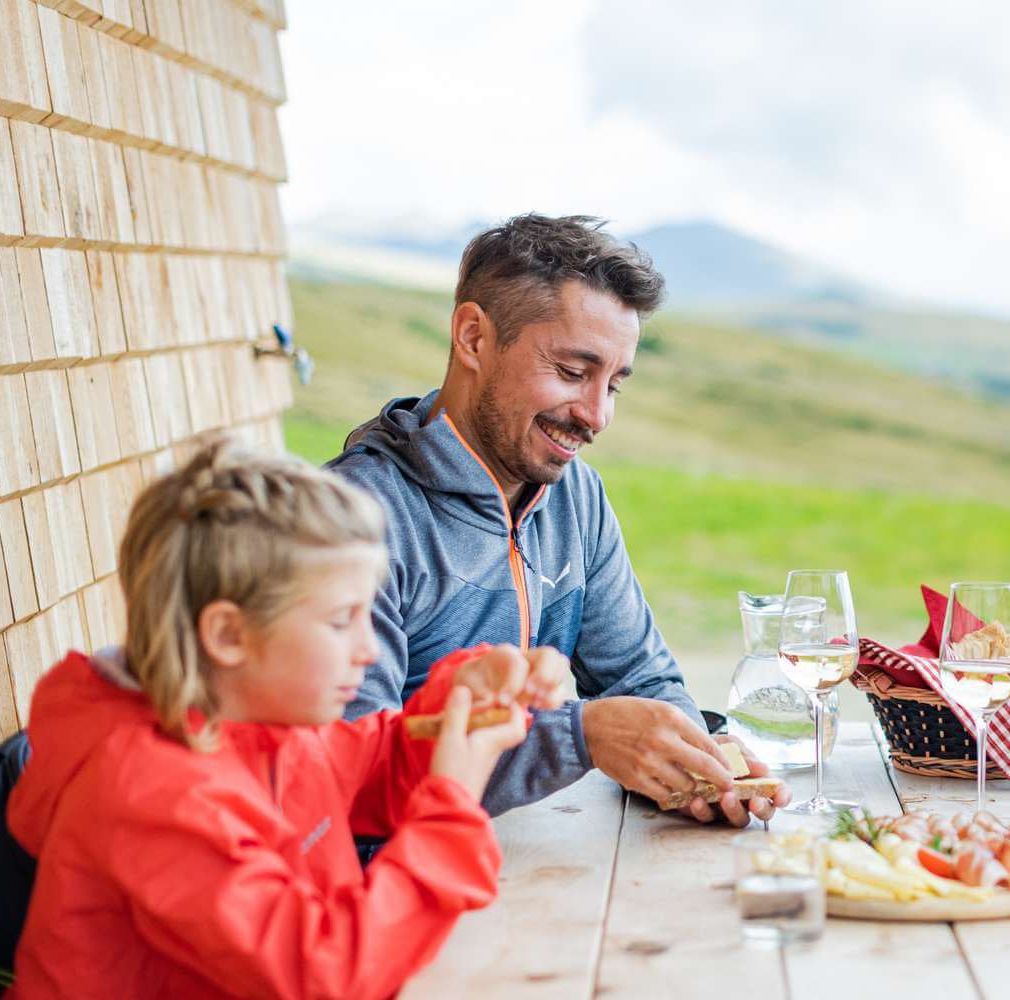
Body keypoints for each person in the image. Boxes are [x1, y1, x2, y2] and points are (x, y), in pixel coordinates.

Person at [4, 440, 565, 997]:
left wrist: (456, 705)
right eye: (343, 620)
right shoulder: (153, 796)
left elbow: (373, 765)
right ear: (228, 636)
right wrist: (451, 806)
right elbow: (322, 975)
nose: (369, 650)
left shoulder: (260, 724)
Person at [327, 213, 786, 824]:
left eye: (614, 385)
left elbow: (641, 682)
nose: (596, 416)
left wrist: (699, 765)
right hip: (380, 888)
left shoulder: (578, 497)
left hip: (525, 864)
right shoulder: (351, 520)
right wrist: (582, 736)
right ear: (473, 338)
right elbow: (347, 773)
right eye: (573, 372)